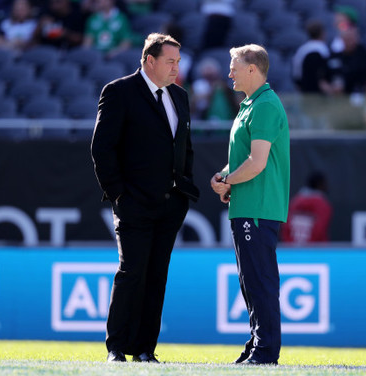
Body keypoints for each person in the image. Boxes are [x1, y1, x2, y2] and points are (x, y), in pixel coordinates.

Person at [91, 32, 199, 363]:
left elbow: (184, 147)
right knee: (131, 272)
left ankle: (144, 350)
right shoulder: (119, 91)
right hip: (134, 203)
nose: (176, 68)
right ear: (149, 61)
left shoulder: (179, 96)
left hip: (170, 204)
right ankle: (116, 348)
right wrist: (119, 195)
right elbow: (101, 148)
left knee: (156, 276)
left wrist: (183, 187)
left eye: (178, 62)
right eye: (170, 61)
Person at [210, 44, 290, 365]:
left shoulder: (265, 105)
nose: (229, 72)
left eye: (234, 66)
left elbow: (257, 164)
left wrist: (228, 181)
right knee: (251, 282)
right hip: (248, 207)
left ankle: (266, 349)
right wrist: (224, 175)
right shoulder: (250, 105)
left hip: (258, 208)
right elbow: (247, 161)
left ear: (252, 69)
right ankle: (259, 343)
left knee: (260, 280)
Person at [281, 172, 332, 244]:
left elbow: (286, 228)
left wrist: (291, 247)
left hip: (293, 252)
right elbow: (320, 229)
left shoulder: (294, 202)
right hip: (315, 252)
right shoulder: (323, 205)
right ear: (320, 185)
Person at [292, 19, 335, 95]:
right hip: (320, 95)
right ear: (323, 33)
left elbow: (296, 75)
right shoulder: (323, 50)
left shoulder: (301, 50)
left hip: (305, 93)